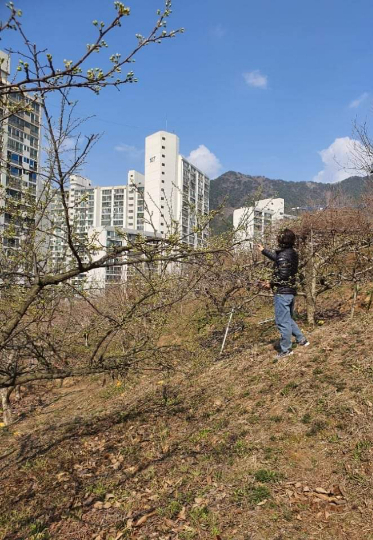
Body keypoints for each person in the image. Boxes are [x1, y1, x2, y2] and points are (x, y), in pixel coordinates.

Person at [257, 228, 309, 359]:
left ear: (281, 240)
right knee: (288, 319)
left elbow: (283, 274)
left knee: (282, 321)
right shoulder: (291, 253)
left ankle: (286, 350)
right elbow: (279, 259)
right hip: (290, 291)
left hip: (283, 292)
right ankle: (302, 340)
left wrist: (270, 283)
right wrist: (264, 251)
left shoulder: (284, 255)